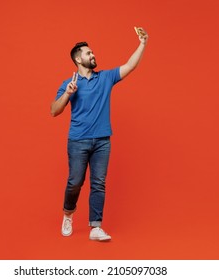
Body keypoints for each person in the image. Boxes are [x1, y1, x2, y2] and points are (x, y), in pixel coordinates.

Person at [51, 27, 148, 241]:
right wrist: (67, 94)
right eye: (88, 53)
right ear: (78, 58)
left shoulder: (105, 78)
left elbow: (130, 66)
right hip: (78, 141)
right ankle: (68, 213)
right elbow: (54, 111)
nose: (93, 55)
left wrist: (142, 43)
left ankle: (95, 227)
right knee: (75, 181)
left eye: (93, 52)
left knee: (98, 182)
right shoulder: (70, 84)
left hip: (102, 141)